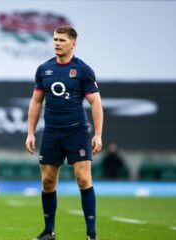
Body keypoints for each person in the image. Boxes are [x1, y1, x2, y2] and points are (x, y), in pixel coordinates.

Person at [25, 26, 103, 240]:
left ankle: (91, 234)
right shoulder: (44, 69)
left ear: (73, 43)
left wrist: (98, 134)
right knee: (48, 181)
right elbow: (36, 102)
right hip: (51, 132)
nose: (57, 43)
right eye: (55, 39)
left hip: (76, 131)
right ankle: (49, 232)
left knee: (83, 179)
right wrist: (30, 133)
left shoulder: (83, 70)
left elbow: (95, 103)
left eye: (61, 40)